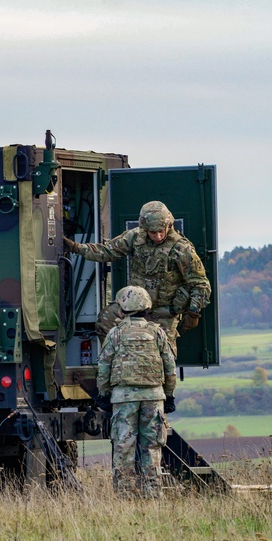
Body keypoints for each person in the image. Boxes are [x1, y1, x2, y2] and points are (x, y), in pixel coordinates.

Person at [63, 200, 211, 357]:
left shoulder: (181, 249)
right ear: (144, 228)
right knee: (105, 320)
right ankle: (119, 362)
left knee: (164, 356)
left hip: (164, 312)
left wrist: (193, 313)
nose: (158, 236)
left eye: (161, 231)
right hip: (134, 308)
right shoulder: (135, 237)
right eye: (153, 232)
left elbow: (200, 284)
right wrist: (75, 247)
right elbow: (107, 251)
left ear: (169, 225)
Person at [96, 285, 177, 498]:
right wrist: (169, 396)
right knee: (152, 448)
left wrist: (103, 394)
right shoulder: (157, 332)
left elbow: (104, 366)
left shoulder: (116, 333)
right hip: (154, 397)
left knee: (124, 448)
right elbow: (169, 367)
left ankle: (125, 496)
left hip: (124, 399)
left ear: (122, 308)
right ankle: (153, 494)